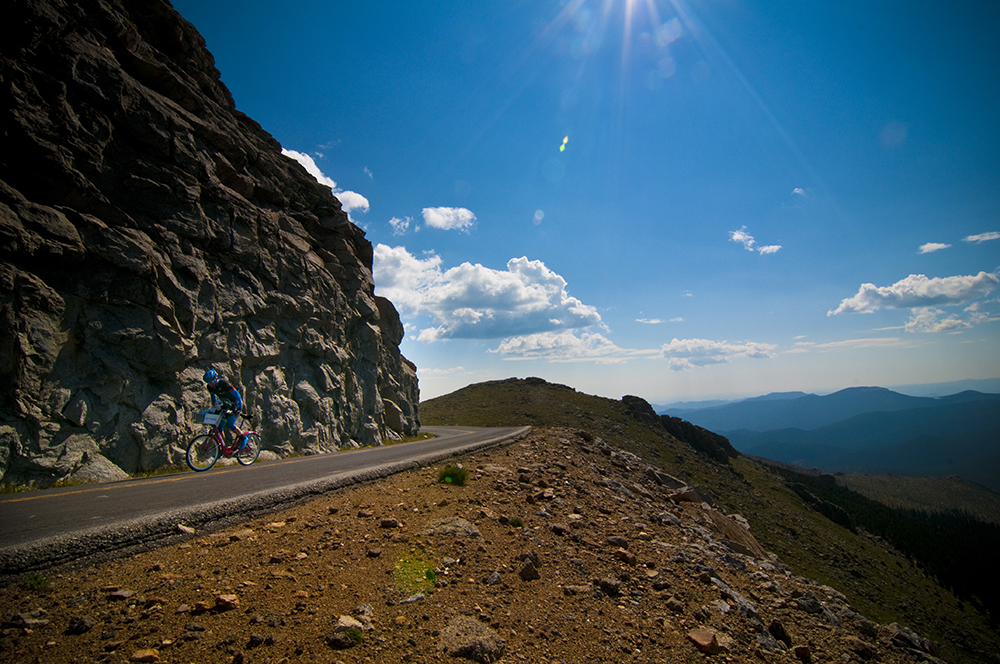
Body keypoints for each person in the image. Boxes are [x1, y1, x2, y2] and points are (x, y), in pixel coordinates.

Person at [203, 368, 247, 449]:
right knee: (219, 427)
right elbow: (213, 398)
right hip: (225, 404)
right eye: (208, 383)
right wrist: (216, 406)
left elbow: (237, 395)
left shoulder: (224, 383)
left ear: (215, 379)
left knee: (230, 425)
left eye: (211, 382)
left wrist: (236, 409)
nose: (210, 384)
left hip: (235, 403)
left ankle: (243, 438)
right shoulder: (210, 387)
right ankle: (224, 447)